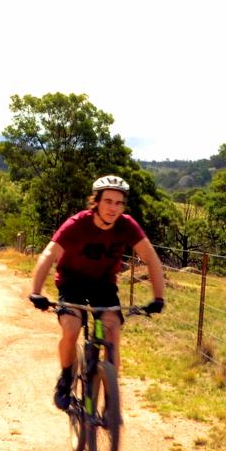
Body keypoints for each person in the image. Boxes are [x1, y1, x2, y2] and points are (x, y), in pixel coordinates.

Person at [27, 175, 167, 410]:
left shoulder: (126, 225)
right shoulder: (77, 224)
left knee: (112, 332)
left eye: (119, 203)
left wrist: (159, 297)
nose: (114, 208)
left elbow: (151, 258)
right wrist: (36, 291)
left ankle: (111, 398)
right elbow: (48, 254)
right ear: (96, 201)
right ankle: (65, 378)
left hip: (103, 285)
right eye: (109, 201)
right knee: (71, 328)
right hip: (72, 283)